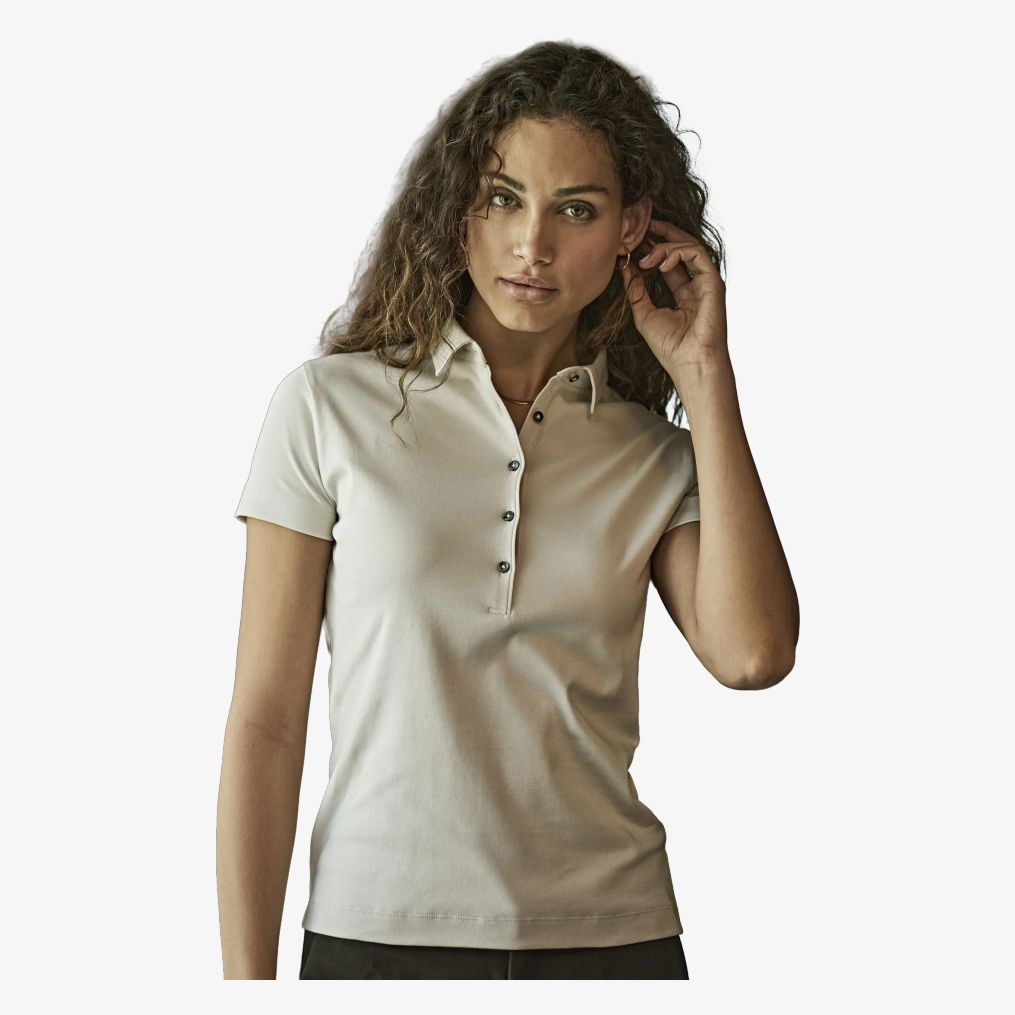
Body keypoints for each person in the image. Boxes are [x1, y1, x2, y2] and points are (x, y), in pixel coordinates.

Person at [217, 40, 799, 980]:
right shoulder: (327, 408)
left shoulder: (651, 455)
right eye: (501, 198)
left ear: (630, 228)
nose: (532, 244)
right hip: (378, 934)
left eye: (576, 209)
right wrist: (245, 991)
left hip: (614, 940)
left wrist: (704, 376)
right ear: (458, 209)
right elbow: (266, 723)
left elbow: (752, 653)